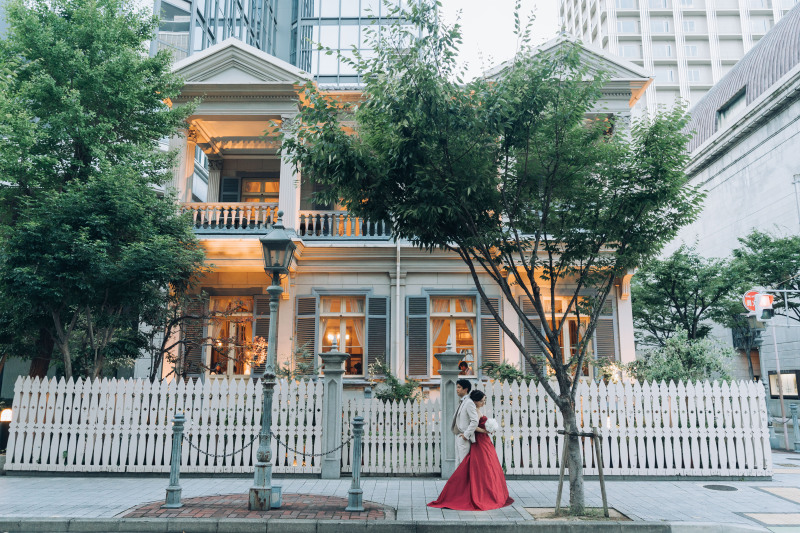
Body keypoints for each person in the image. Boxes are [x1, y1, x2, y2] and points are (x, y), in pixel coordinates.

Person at [429, 390, 514, 511]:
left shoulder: (476, 408)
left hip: (485, 440)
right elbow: (473, 425)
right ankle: (477, 493)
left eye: (484, 400)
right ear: (475, 401)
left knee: (489, 466)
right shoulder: (472, 408)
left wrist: (489, 428)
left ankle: (491, 491)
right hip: (479, 440)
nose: (483, 403)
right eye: (481, 401)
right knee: (481, 466)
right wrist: (484, 431)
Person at [451, 378, 478, 466]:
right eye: (457, 387)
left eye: (459, 387)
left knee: (463, 463)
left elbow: (474, 421)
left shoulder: (469, 402)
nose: (457, 389)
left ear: (465, 389)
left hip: (464, 437)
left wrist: (466, 435)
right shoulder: (462, 402)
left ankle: (465, 480)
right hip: (458, 436)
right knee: (458, 463)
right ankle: (458, 480)